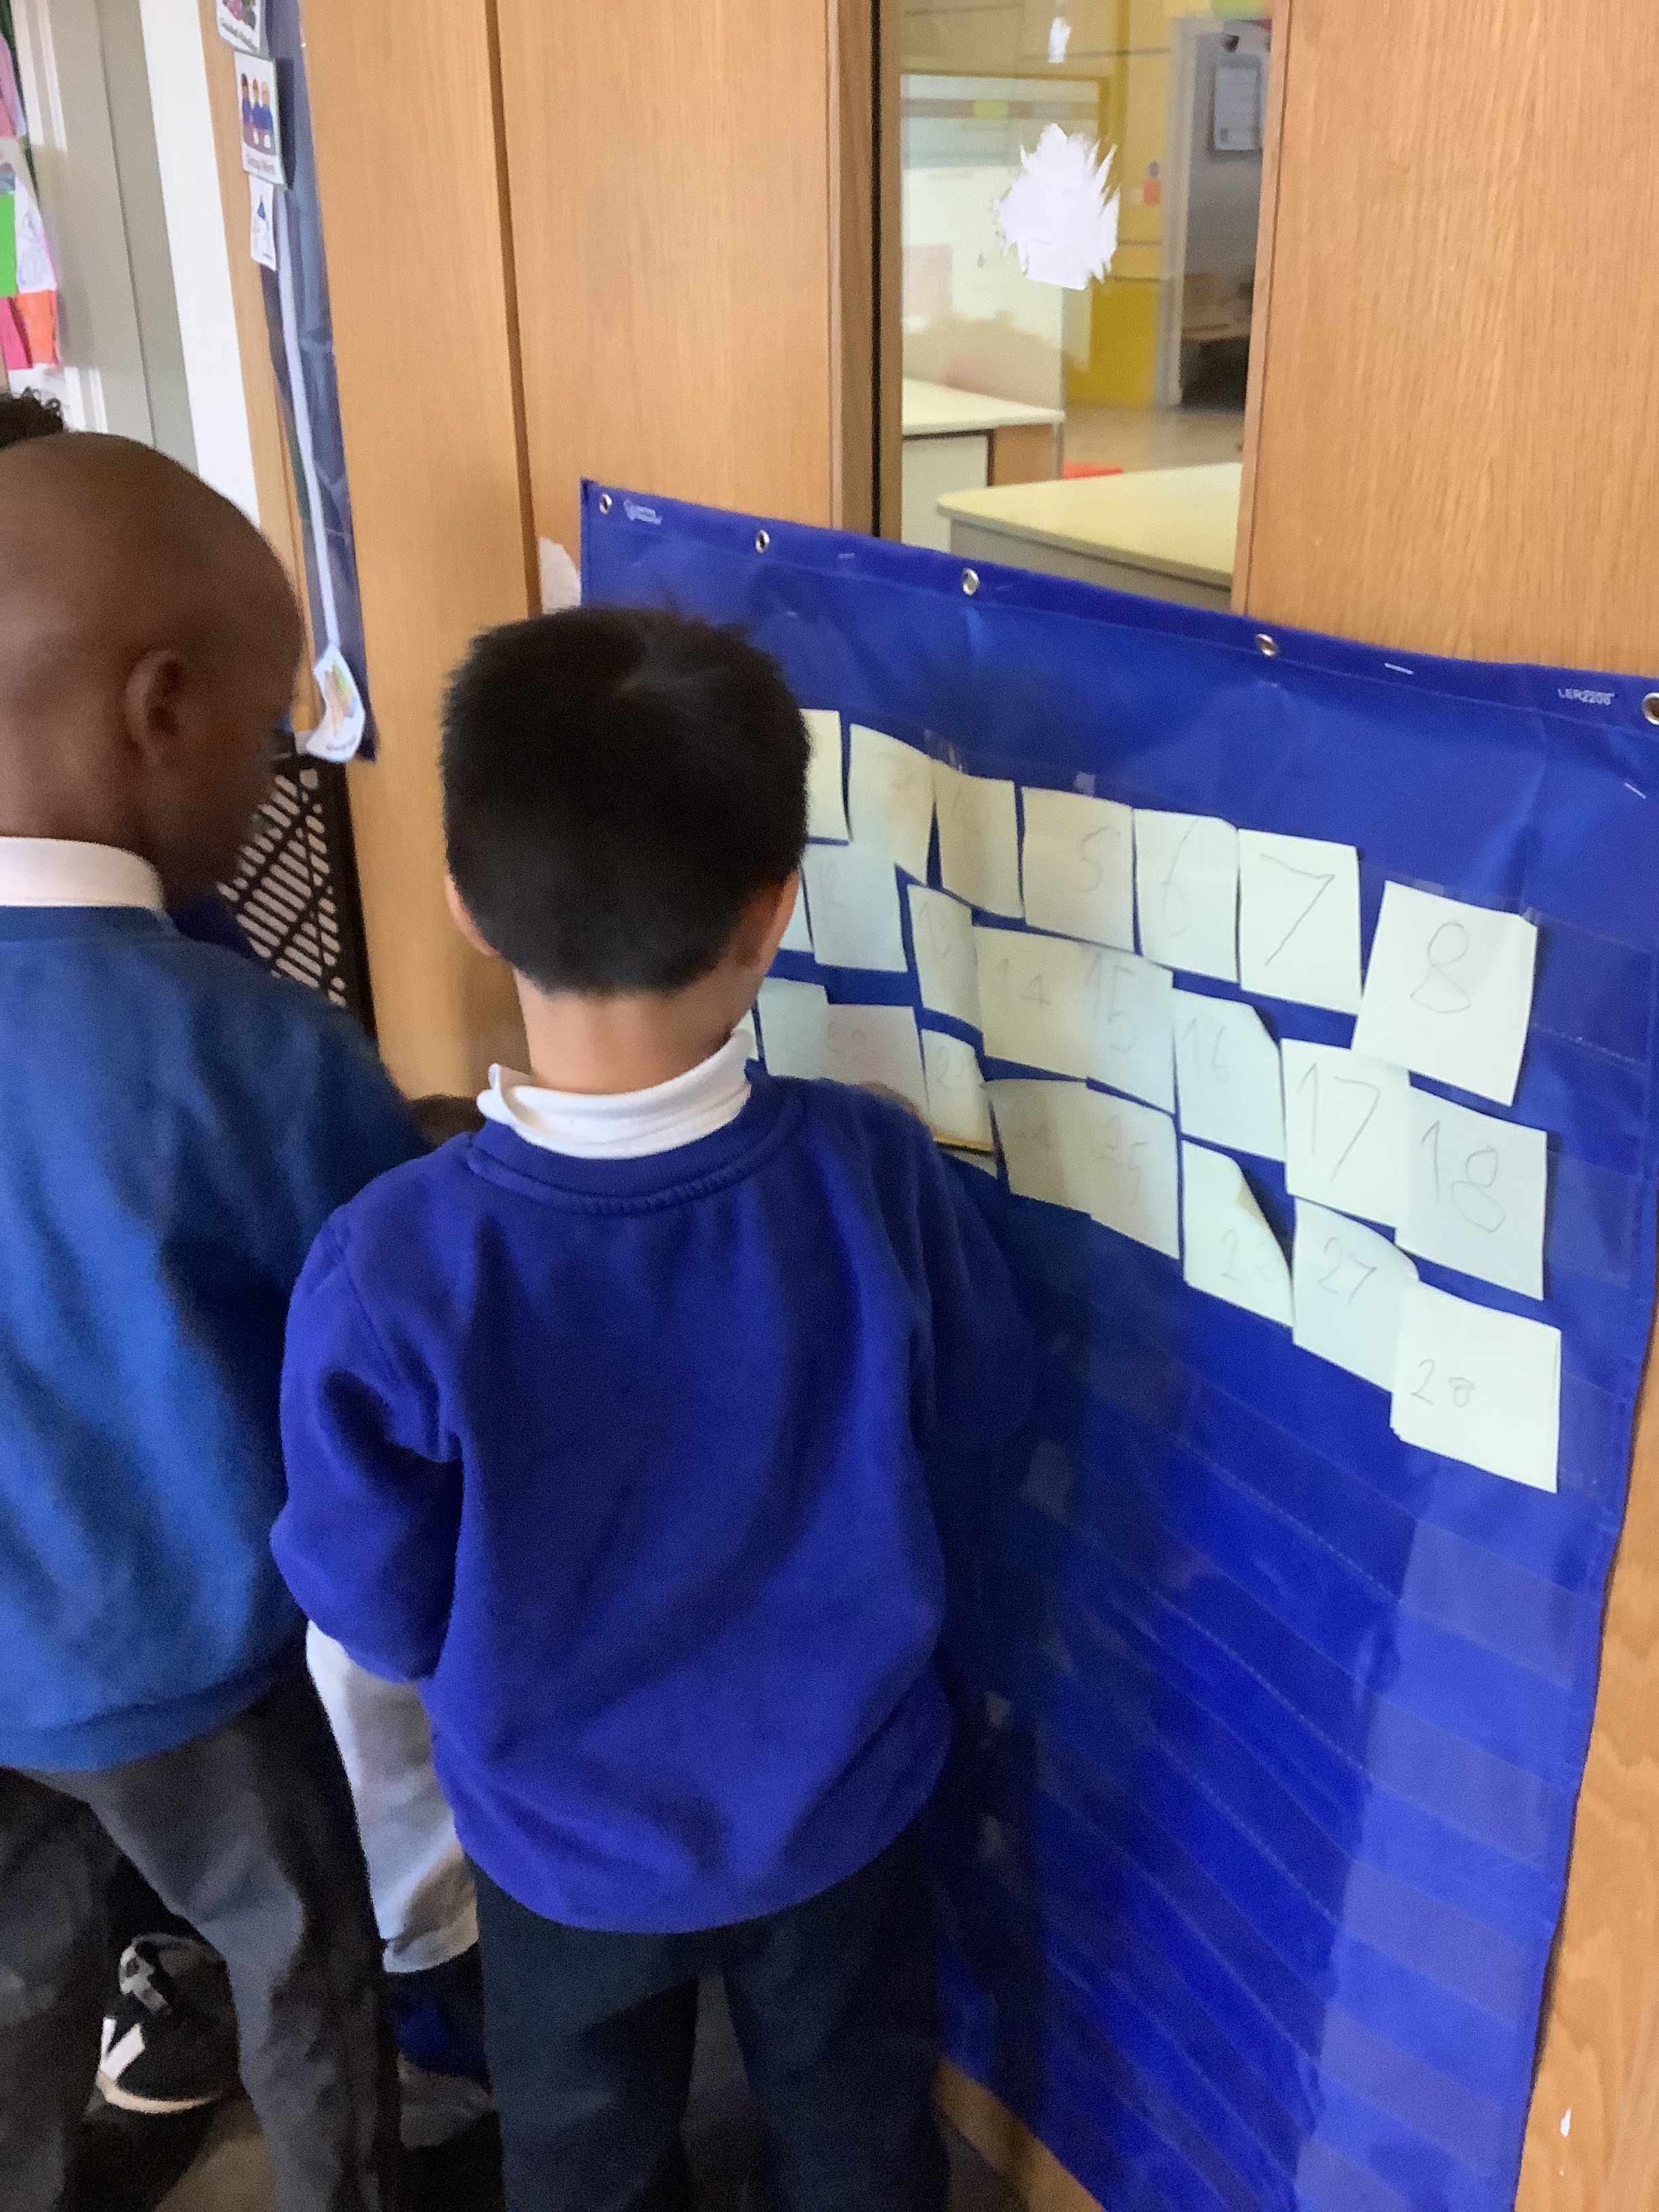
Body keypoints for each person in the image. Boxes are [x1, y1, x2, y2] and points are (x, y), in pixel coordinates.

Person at [274, 606, 1037, 2212]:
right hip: (842, 1808)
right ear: (774, 911)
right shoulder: (874, 1169)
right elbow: (983, 1404)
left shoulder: (392, 1262)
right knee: (859, 2136)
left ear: (466, 900)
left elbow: (369, 1601)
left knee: (585, 2157)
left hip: (560, 1845)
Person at [0, 388, 497, 2205]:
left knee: (19, 1990)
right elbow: (402, 1323)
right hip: (195, 1668)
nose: (278, 773)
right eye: (274, 729)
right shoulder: (260, 1051)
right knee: (304, 1959)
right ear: (158, 709)